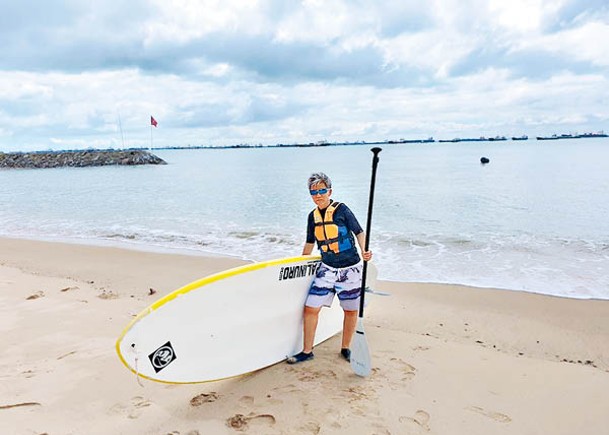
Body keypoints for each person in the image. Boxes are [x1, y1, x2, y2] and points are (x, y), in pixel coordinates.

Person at [287, 172, 372, 364]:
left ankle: (346, 348)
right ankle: (307, 351)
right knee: (310, 308)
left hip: (350, 269)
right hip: (327, 269)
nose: (318, 195)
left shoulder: (343, 210)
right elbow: (309, 243)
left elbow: (359, 232)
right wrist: (299, 264)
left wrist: (365, 250)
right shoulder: (312, 217)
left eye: (322, 190)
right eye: (313, 192)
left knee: (350, 311)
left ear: (330, 191)